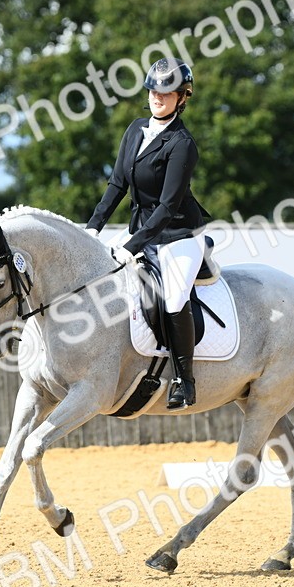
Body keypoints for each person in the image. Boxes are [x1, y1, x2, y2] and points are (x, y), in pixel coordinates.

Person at [85, 57, 209, 411]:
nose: (158, 96)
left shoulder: (182, 144)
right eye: (154, 89)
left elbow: (168, 207)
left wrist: (131, 245)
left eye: (167, 91)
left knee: (172, 299)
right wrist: (92, 227)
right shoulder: (136, 129)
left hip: (179, 236)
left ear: (182, 97)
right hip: (140, 233)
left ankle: (185, 381)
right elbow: (117, 184)